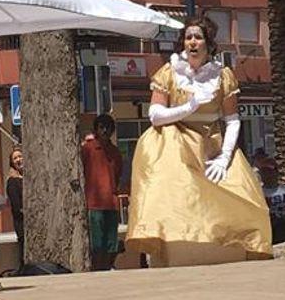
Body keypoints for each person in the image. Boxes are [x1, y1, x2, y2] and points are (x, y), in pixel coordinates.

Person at [125, 16, 272, 267]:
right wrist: (187, 107)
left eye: (198, 37)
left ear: (208, 43)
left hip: (212, 145)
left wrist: (225, 157)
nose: (192, 42)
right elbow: (155, 116)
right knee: (173, 180)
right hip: (175, 140)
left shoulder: (223, 76)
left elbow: (233, 120)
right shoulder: (169, 72)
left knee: (245, 195)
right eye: (188, 37)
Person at [81, 114, 123, 271]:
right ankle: (98, 269)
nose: (105, 131)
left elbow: (118, 173)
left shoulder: (115, 151)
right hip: (94, 203)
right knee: (97, 243)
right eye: (101, 127)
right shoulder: (88, 149)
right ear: (96, 129)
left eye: (108, 127)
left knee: (111, 242)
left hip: (111, 202)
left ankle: (108, 266)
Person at [257, 158, 285, 244]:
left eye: (270, 171)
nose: (267, 175)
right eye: (264, 172)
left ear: (276, 172)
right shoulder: (258, 193)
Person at [5, 147, 24, 271]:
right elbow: (16, 205)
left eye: (20, 156)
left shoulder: (29, 178)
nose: (18, 159)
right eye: (15, 158)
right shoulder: (12, 181)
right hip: (21, 221)